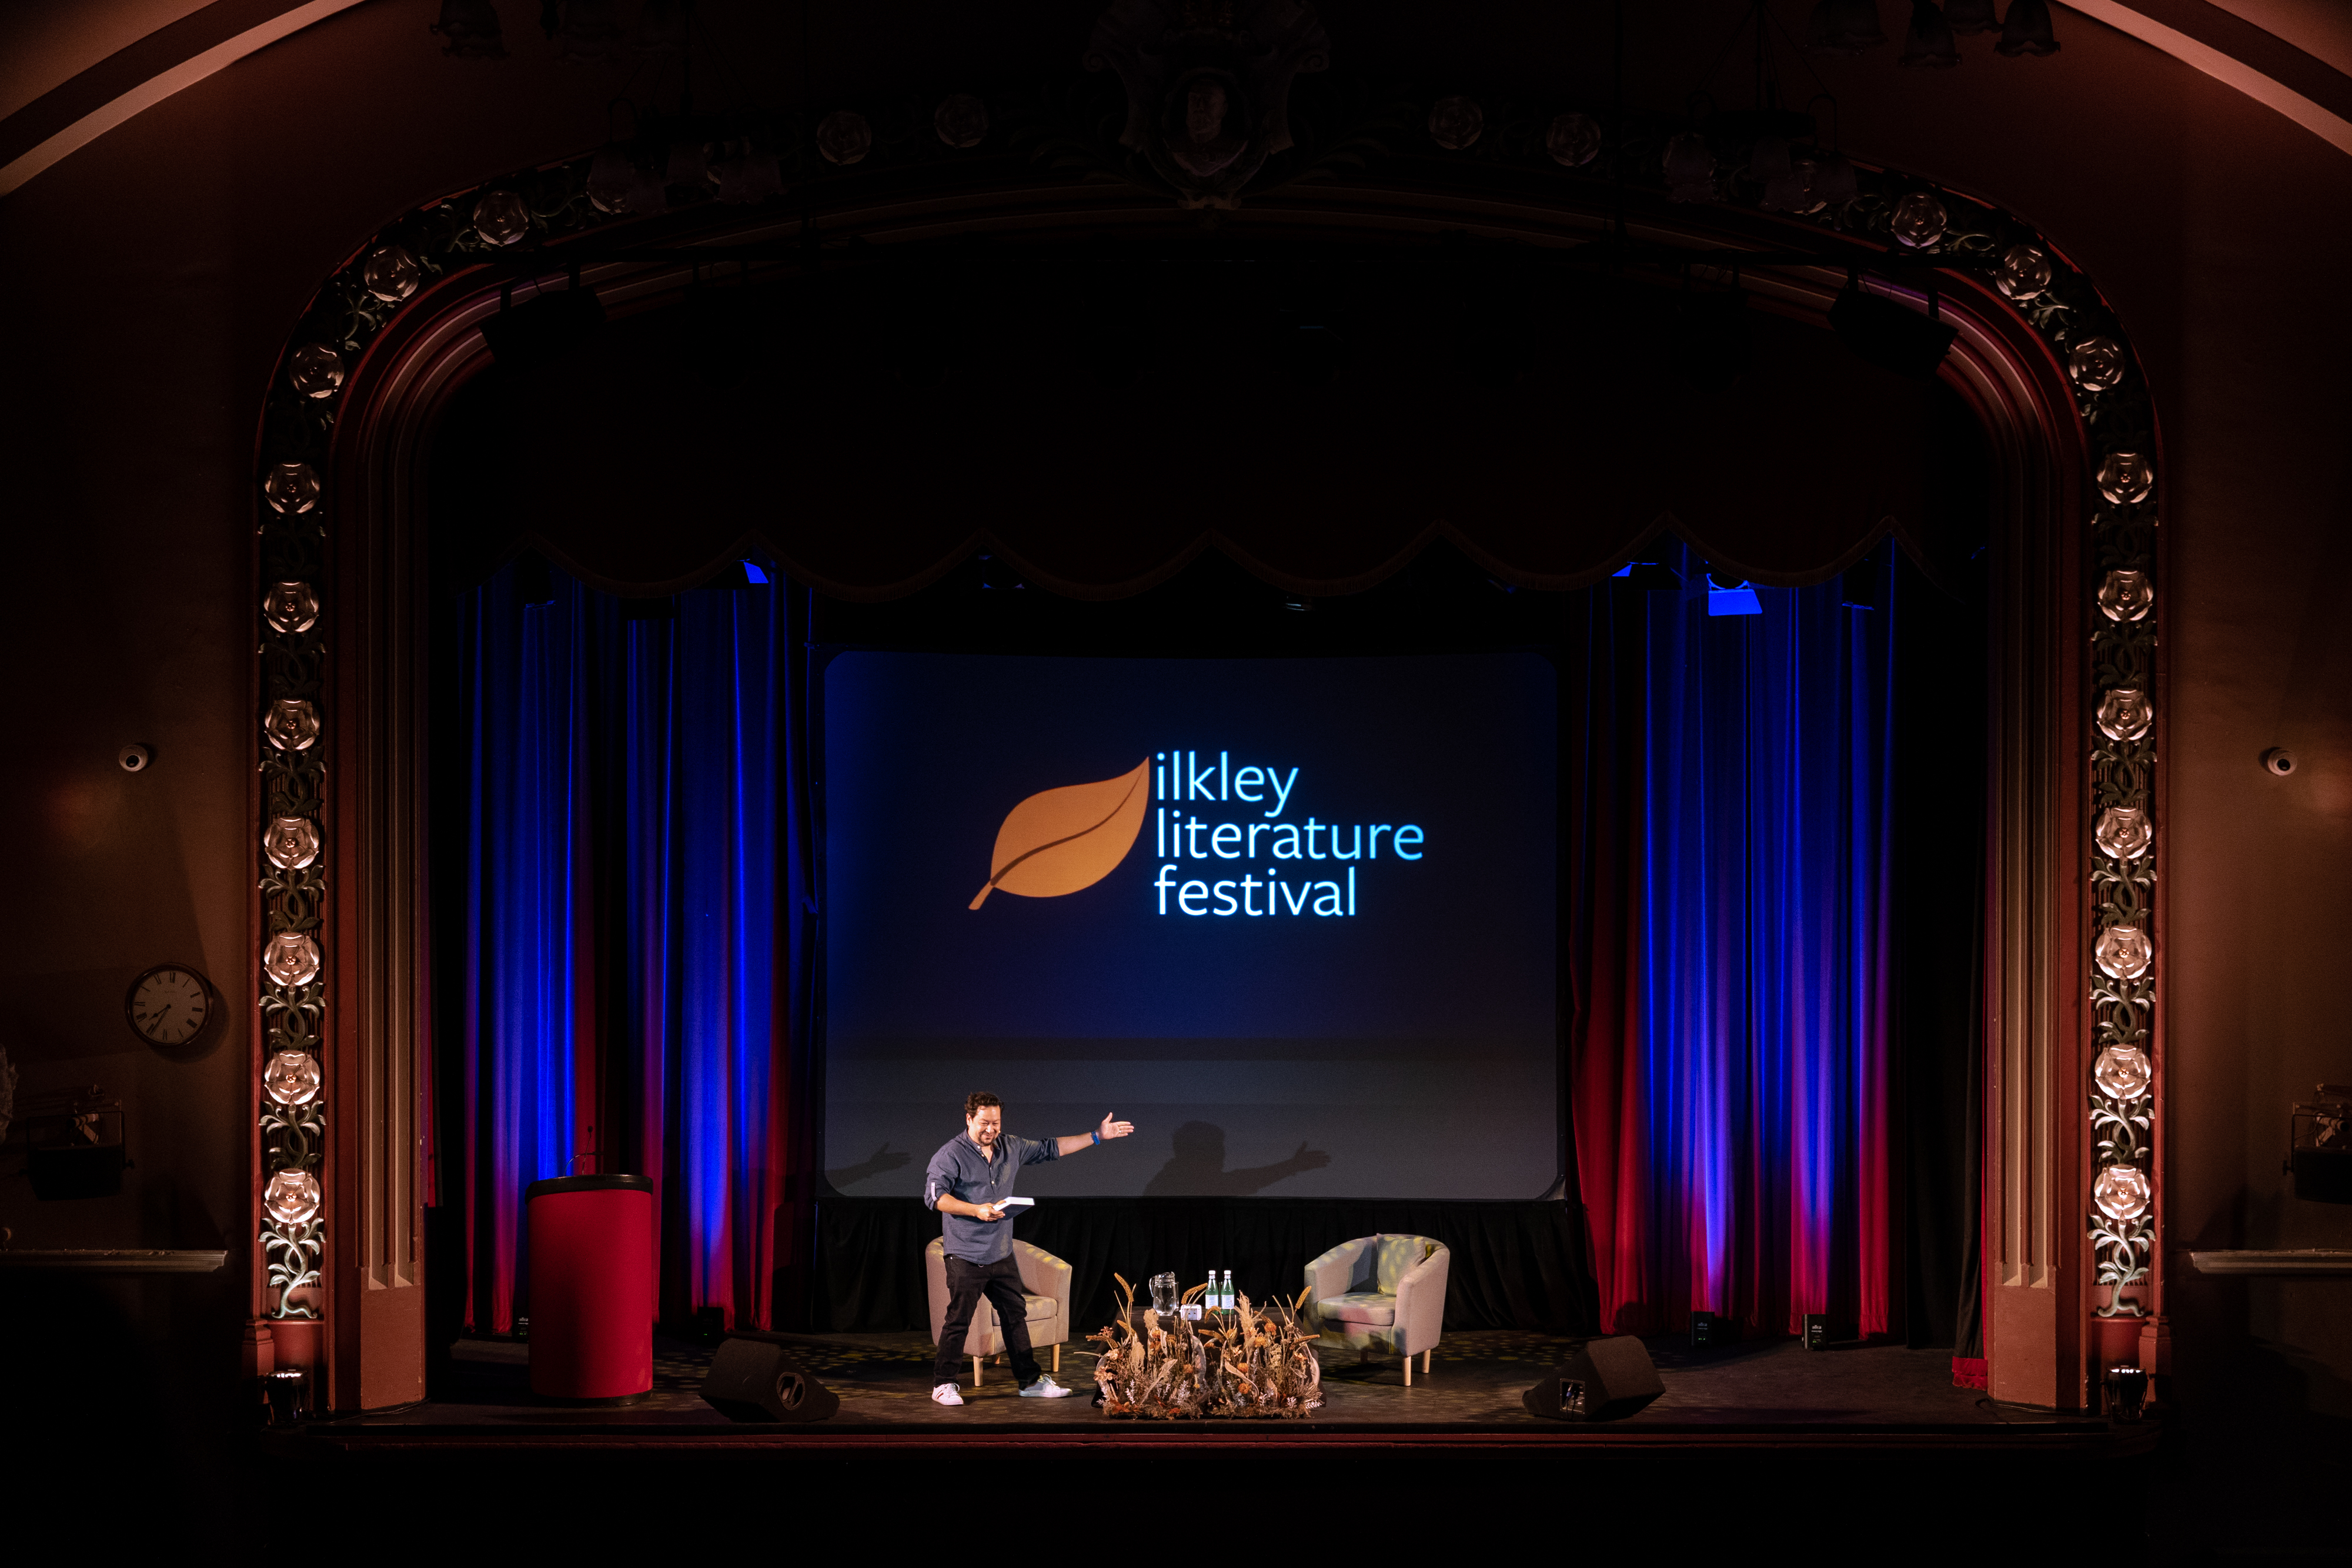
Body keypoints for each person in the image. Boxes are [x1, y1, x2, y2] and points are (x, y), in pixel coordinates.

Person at [925, 1092, 1133, 1405]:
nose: (990, 1130)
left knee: (1015, 1314)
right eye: (984, 1123)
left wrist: (1097, 1136)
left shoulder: (1010, 1146)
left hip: (1001, 1252)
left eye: (995, 1123)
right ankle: (944, 1385)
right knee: (959, 1319)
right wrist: (976, 1210)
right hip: (966, 1254)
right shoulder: (950, 1154)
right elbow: (935, 1197)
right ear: (969, 1119)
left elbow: (1052, 1148)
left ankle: (1030, 1381)